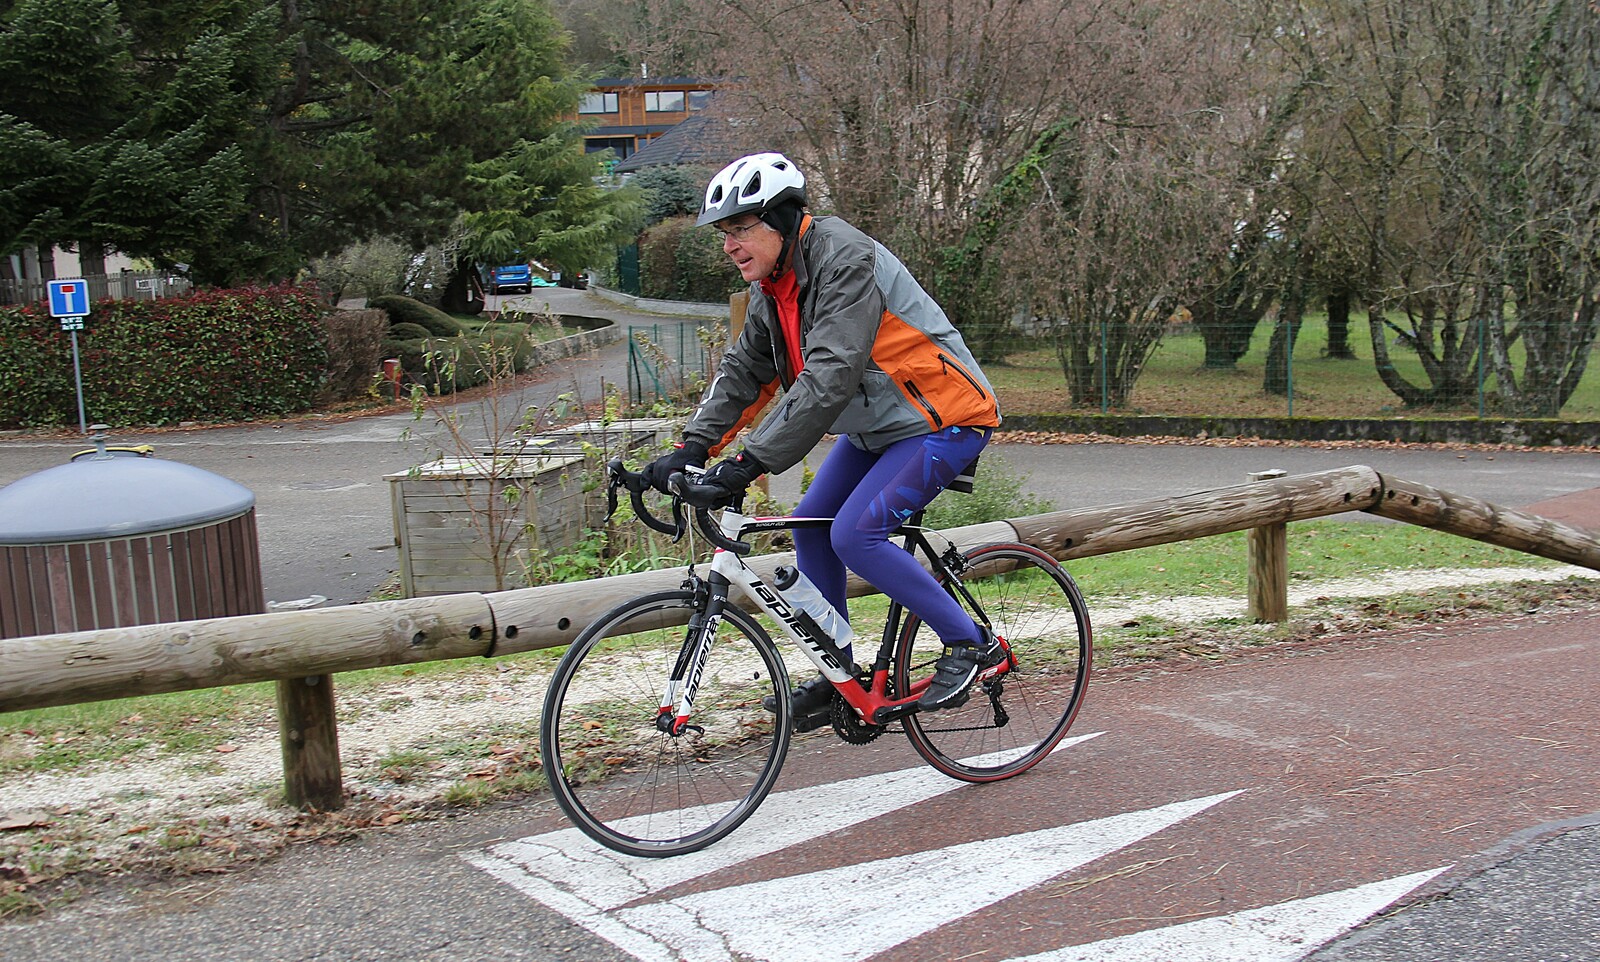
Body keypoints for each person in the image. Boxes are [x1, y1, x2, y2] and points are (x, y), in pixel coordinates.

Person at [644, 151, 1002, 728]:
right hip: (876, 428)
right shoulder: (773, 287)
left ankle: (971, 643)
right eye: (723, 234)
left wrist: (750, 461)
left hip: (945, 418)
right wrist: (691, 448)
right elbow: (745, 373)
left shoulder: (844, 259)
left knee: (855, 534)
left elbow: (830, 374)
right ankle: (840, 672)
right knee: (810, 527)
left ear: (781, 220)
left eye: (740, 229)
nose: (729, 245)